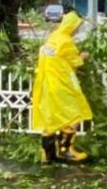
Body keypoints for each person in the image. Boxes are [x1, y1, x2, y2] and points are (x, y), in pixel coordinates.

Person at [31, 10, 93, 163]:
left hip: (47, 84)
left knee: (51, 116)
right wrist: (83, 56)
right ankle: (65, 150)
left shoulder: (53, 37)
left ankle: (47, 153)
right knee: (75, 113)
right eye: (77, 27)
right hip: (62, 84)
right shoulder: (66, 41)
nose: (77, 30)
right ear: (71, 27)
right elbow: (75, 62)